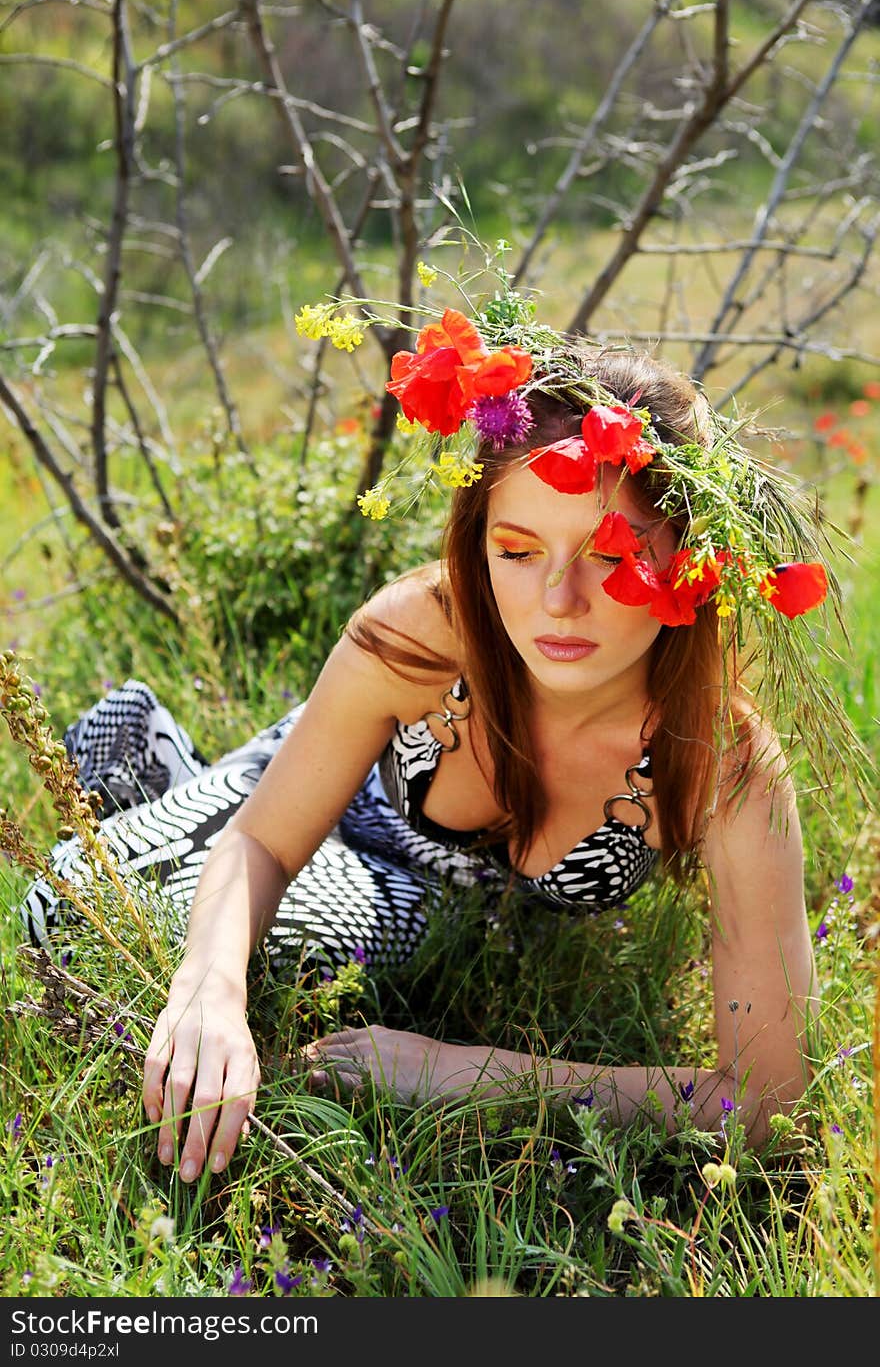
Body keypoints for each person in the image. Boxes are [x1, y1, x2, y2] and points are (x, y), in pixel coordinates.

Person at [23, 297, 844, 1187]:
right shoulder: (420, 635)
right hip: (325, 799)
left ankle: (153, 775)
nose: (557, 603)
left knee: (256, 938)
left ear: (690, 557)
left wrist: (464, 1072)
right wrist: (208, 990)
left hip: (436, 902)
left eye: (611, 556)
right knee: (63, 906)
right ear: (477, 545)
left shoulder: (722, 763)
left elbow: (768, 1103)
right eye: (519, 551)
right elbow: (264, 837)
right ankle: (157, 764)